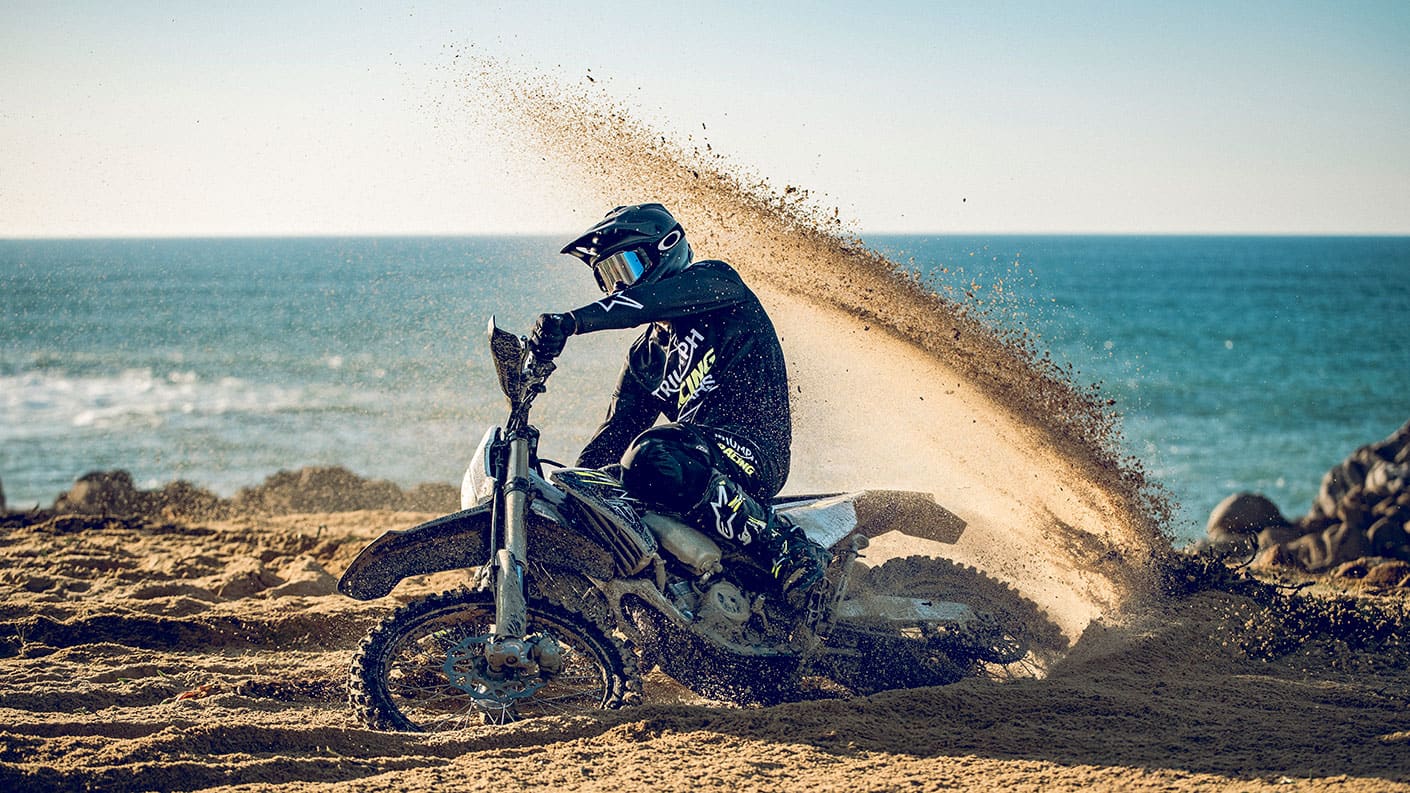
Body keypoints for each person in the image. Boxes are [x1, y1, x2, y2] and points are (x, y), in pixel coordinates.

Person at [527, 203, 828, 606]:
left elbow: (647, 303)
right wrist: (565, 491)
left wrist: (572, 322)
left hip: (753, 451)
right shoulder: (646, 357)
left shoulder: (716, 284)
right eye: (607, 277)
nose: (619, 286)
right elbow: (613, 436)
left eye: (626, 269)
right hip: (694, 459)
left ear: (666, 249)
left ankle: (789, 551)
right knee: (606, 481)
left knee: (652, 451)